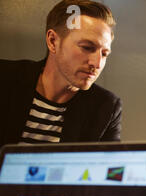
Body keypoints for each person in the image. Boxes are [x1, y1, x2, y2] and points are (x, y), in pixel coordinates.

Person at [0, 0, 121, 148]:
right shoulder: (5, 77)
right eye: (87, 47)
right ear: (53, 41)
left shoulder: (105, 106)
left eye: (104, 54)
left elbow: (107, 167)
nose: (97, 64)